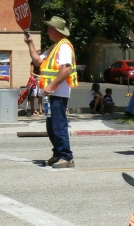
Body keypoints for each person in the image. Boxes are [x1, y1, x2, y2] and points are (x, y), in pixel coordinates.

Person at [24, 16, 78, 168]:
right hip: (51, 94)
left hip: (58, 93)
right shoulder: (55, 46)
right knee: (51, 125)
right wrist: (30, 44)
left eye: (49, 28)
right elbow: (37, 61)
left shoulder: (64, 46)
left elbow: (66, 69)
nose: (47, 30)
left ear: (55, 30)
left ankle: (66, 156)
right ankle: (58, 153)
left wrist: (51, 86)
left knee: (58, 125)